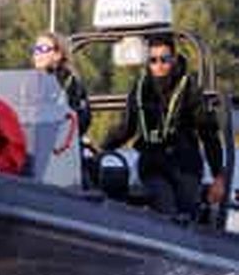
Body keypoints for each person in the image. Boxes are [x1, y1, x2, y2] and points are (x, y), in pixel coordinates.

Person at [101, 33, 226, 219]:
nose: (158, 65)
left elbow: (208, 133)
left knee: (188, 211)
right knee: (165, 206)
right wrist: (101, 149)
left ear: (174, 59)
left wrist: (218, 175)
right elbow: (126, 128)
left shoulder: (189, 89)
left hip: (186, 164)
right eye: (153, 60)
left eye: (164, 59)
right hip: (153, 165)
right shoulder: (141, 88)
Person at [32, 31, 91, 137]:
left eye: (44, 49)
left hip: (62, 143)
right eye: (36, 49)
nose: (38, 54)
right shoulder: (34, 80)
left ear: (57, 55)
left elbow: (79, 119)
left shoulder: (68, 81)